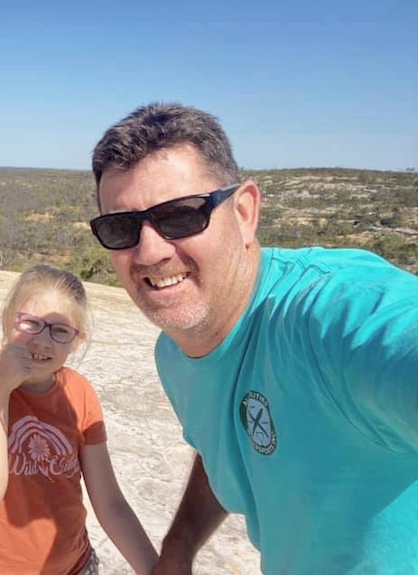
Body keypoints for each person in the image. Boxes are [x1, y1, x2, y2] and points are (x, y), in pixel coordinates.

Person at [88, 102, 418, 574]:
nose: (151, 251)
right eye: (121, 227)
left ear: (244, 212)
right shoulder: (177, 352)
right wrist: (181, 543)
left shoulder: (331, 315)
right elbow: (221, 439)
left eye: (181, 216)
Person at [0, 264, 159, 575]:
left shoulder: (80, 392)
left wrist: (158, 569)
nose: (43, 341)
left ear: (77, 341)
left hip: (74, 566)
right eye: (31, 323)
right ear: (8, 319)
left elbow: (110, 503)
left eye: (59, 330)